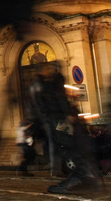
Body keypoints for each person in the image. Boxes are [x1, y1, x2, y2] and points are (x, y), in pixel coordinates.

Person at [31, 61, 102, 194]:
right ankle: (87, 177)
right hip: (58, 120)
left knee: (70, 148)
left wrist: (65, 116)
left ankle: (83, 177)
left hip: (58, 121)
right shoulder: (47, 83)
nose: (49, 71)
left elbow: (50, 103)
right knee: (71, 148)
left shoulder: (47, 84)